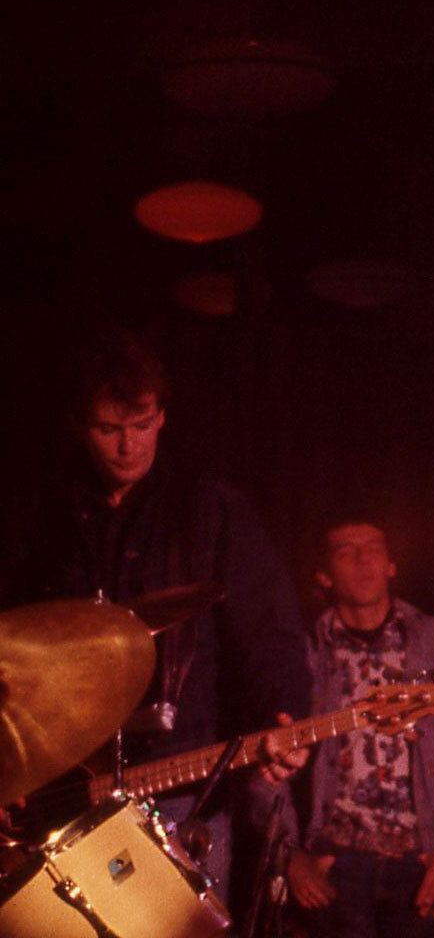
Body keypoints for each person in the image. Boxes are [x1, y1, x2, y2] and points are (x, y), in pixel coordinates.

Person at [1, 331, 310, 891]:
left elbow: (269, 632)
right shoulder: (42, 519)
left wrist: (283, 710)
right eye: (108, 429)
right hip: (63, 791)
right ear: (79, 425)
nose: (129, 446)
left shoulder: (209, 508)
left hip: (181, 784)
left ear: (162, 416)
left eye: (142, 425)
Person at [281, 515, 434, 937]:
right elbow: (266, 763)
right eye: (347, 552)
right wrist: (290, 856)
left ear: (391, 566)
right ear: (323, 575)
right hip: (334, 865)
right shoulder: (303, 652)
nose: (364, 560)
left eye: (374, 549)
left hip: (420, 863)